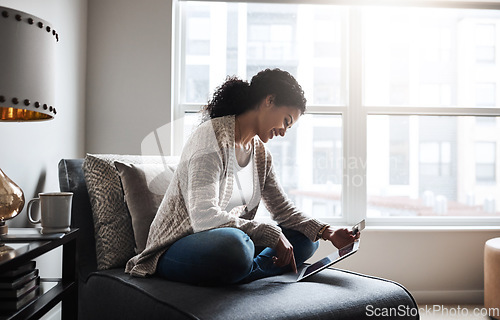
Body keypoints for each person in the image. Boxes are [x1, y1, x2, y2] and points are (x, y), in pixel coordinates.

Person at [125, 68, 360, 285]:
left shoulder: (261, 156)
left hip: (225, 243)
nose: (284, 131)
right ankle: (249, 270)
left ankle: (243, 273)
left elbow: (283, 210)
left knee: (307, 239)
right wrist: (271, 234)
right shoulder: (211, 137)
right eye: (286, 121)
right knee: (236, 247)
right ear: (269, 101)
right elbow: (204, 218)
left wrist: (327, 231)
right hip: (175, 247)